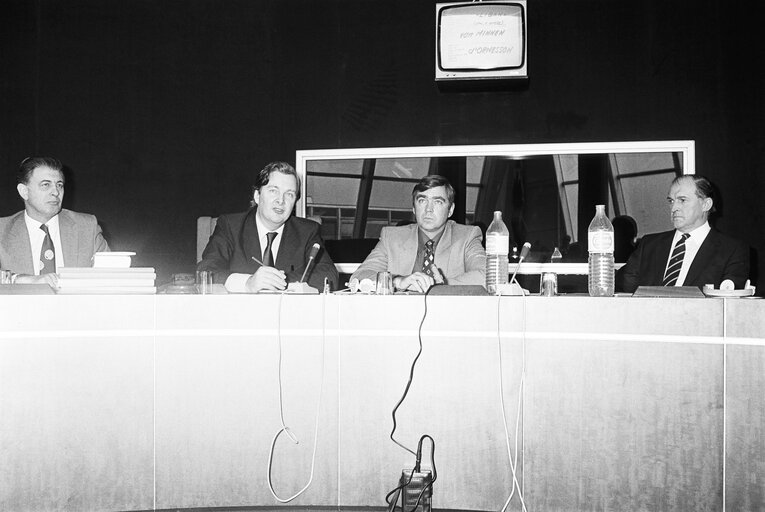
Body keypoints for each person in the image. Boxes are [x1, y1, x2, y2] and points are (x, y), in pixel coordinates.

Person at [197, 161, 338, 292]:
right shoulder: (230, 226)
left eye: (289, 194)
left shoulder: (307, 231)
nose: (281, 200)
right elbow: (206, 271)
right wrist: (248, 283)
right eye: (273, 191)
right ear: (257, 196)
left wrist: (279, 282)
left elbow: (329, 275)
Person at [350, 174, 486, 292]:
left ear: (450, 210)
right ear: (414, 208)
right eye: (422, 201)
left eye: (438, 202)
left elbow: (488, 276)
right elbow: (359, 277)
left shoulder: (467, 237)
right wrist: (398, 281)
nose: (428, 209)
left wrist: (442, 285)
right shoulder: (392, 238)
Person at [616, 174, 749, 292]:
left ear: (706, 204)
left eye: (682, 200)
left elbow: (730, 301)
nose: (674, 208)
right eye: (671, 201)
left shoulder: (731, 250)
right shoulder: (649, 245)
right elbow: (620, 284)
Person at [0, 157, 110, 286]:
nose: (56, 192)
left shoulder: (87, 227)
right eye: (45, 185)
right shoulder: (2, 230)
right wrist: (19, 280)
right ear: (24, 191)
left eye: (59, 185)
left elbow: (112, 276)